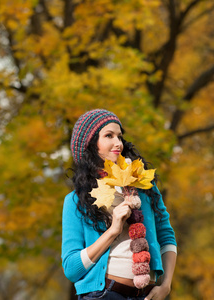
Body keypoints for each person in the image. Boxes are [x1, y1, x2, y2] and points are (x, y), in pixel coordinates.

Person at [61, 109, 177, 300]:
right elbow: (71, 268)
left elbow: (166, 235)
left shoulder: (144, 187)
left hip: (147, 294)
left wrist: (166, 285)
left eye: (120, 136)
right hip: (103, 294)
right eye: (109, 136)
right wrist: (113, 231)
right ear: (90, 145)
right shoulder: (76, 200)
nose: (118, 143)